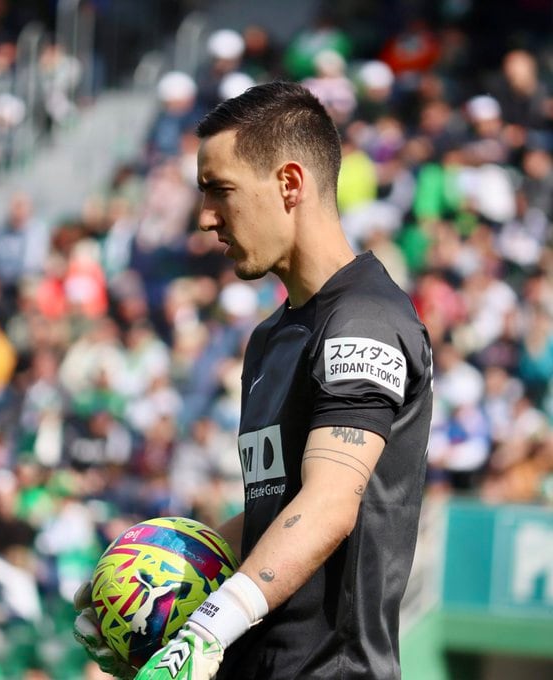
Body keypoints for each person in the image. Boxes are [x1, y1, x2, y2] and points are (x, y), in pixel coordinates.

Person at [74, 81, 433, 679]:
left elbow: (328, 503)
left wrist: (209, 628)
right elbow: (276, 508)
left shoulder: (364, 322)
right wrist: (153, 596)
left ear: (290, 184)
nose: (207, 217)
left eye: (221, 191)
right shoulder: (272, 336)